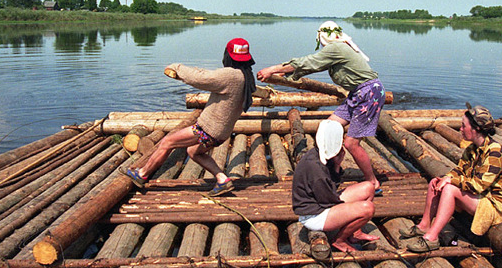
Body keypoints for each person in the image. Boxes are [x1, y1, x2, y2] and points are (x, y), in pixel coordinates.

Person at [257, 21, 386, 194]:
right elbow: (314, 65)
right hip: (357, 94)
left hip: (369, 94)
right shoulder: (338, 48)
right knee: (328, 128)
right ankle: (335, 169)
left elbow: (309, 61)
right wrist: (285, 72)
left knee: (351, 143)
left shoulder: (337, 48)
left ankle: (373, 182)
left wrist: (272, 69)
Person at [124, 38, 257, 197]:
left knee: (168, 142)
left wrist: (176, 67)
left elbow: (201, 78)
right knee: (194, 151)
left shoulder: (230, 75)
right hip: (222, 132)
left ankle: (142, 174)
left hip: (208, 130)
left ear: (228, 55)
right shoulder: (246, 75)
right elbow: (208, 75)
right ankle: (222, 179)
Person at [401, 103, 502, 253]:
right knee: (435, 183)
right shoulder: (472, 149)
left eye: (464, 126)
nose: (460, 129)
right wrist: (446, 178)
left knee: (450, 188)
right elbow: (459, 170)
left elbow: (478, 185)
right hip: (481, 197)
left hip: (497, 206)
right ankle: (424, 226)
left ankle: (432, 238)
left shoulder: (494, 153)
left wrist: (451, 181)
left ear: (476, 129)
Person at [292, 119, 380, 253]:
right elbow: (329, 199)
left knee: (368, 187)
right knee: (367, 209)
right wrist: (354, 208)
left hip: (324, 201)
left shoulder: (321, 154)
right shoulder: (316, 169)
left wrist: (337, 166)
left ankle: (355, 231)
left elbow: (331, 189)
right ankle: (340, 240)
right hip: (314, 214)